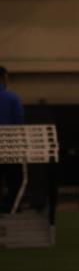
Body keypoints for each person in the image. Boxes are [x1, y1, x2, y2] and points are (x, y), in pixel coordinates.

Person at [0, 66, 26, 213]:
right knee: (15, 179)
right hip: (10, 146)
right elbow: (19, 121)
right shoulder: (12, 97)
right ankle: (11, 207)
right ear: (4, 78)